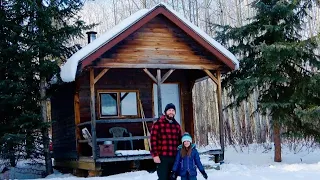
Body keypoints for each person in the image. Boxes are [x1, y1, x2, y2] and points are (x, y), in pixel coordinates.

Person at [150, 103, 182, 180]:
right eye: (169, 110)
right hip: (162, 157)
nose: (171, 112)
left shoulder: (177, 126)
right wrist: (155, 155)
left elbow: (180, 142)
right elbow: (153, 140)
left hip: (174, 157)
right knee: (163, 178)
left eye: (173, 110)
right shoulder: (158, 124)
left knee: (172, 178)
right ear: (165, 112)